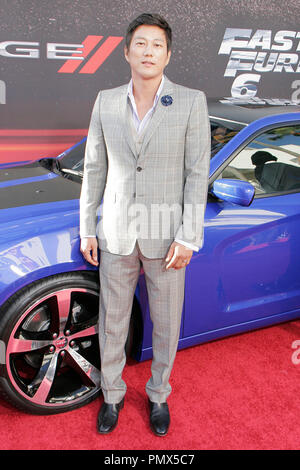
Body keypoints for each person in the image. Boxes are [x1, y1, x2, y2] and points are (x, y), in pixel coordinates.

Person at [79, 12, 211, 436]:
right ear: (127, 51)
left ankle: (158, 394)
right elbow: (94, 168)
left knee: (167, 322)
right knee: (111, 321)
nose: (148, 51)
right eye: (141, 43)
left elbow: (196, 173)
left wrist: (190, 235)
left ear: (168, 54)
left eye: (156, 44)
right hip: (116, 233)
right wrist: (87, 227)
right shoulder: (105, 100)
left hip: (169, 237)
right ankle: (112, 394)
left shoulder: (190, 101)